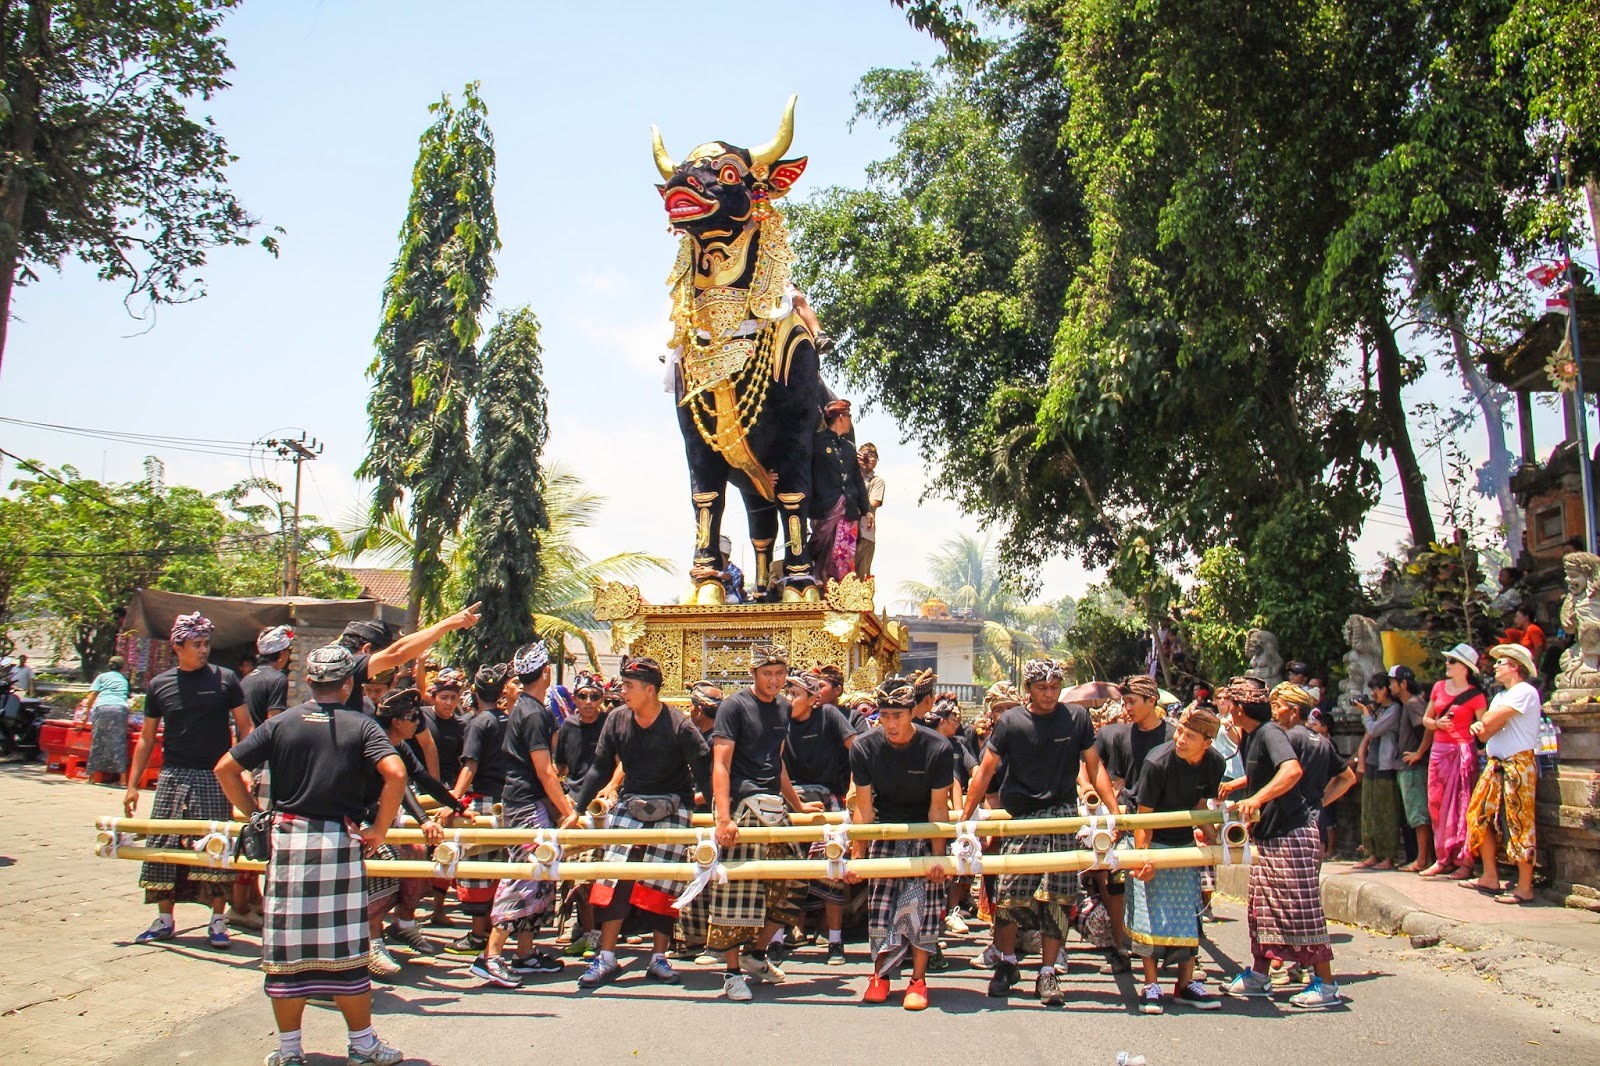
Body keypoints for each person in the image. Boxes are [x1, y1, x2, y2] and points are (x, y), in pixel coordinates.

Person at [214, 645, 409, 1066]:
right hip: (338, 842)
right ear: (348, 683)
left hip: (288, 842)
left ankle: (288, 1053)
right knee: (348, 956)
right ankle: (363, 1045)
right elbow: (395, 774)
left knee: (287, 957)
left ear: (309, 682)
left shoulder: (282, 723)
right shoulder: (363, 725)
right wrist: (379, 829)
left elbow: (225, 768)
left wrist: (255, 816)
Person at [961, 657, 1119, 1005]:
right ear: (1028, 690)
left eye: (1054, 687)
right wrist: (966, 818)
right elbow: (985, 771)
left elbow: (1095, 767)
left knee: (1058, 899)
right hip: (1022, 818)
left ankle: (1048, 973)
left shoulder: (1076, 718)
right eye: (1042, 688)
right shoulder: (1012, 722)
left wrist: (1115, 813)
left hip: (1062, 815)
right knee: (1007, 896)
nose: (1049, 694)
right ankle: (1006, 963)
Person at [567, 656, 713, 986]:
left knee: (665, 881)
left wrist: (719, 815)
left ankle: (659, 957)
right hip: (631, 802)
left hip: (674, 805)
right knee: (614, 876)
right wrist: (576, 811)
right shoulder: (617, 719)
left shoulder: (680, 725)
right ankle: (606, 956)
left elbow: (703, 772)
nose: (623, 691)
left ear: (649, 690)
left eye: (630, 686)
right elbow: (599, 767)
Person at [125, 612, 251, 948]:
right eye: (197, 644)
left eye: (207, 643)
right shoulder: (159, 684)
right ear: (177, 646)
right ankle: (164, 918)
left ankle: (218, 921)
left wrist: (245, 770)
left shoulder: (226, 680)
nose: (204, 649)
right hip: (172, 775)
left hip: (215, 777)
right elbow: (146, 738)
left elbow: (246, 728)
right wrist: (133, 784)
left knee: (216, 845)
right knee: (162, 846)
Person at [707, 642, 824, 1001]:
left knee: (792, 884)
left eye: (779, 673)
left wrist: (798, 806)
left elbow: (777, 761)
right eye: (767, 674)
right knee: (736, 888)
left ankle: (757, 955)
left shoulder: (784, 708)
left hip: (775, 805)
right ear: (753, 674)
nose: (774, 680)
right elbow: (721, 763)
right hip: (740, 804)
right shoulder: (733, 706)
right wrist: (724, 817)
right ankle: (730, 972)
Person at [1219, 682, 1341, 1009]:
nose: (1226, 709)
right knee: (1262, 911)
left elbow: (1291, 770)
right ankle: (1260, 975)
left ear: (1240, 709)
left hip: (1293, 834)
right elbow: (1265, 776)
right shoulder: (1251, 737)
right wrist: (1240, 793)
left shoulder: (1271, 733)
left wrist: (1257, 799)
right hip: (1270, 836)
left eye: (1229, 704)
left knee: (1302, 911)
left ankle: (1326, 985)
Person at [846, 677, 954, 1011]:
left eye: (898, 715)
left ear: (912, 713)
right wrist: (858, 857)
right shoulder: (865, 746)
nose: (890, 723)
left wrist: (940, 859)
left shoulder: (938, 747)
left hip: (925, 828)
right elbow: (863, 806)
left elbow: (939, 807)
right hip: (885, 830)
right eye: (885, 715)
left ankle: (918, 980)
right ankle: (880, 975)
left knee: (923, 909)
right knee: (881, 909)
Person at [473, 642, 576, 988]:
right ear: (546, 673)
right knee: (523, 876)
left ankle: (526, 952)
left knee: (540, 878)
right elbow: (545, 770)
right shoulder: (532, 713)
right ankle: (491, 956)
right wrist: (568, 810)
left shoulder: (528, 708)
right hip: (525, 805)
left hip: (527, 802)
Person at [1125, 707, 1227, 1015]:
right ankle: (1151, 984)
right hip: (1151, 837)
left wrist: (1213, 836)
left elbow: (1198, 803)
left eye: (1190, 736)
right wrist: (1145, 857)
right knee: (1150, 914)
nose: (1180, 740)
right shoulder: (1157, 761)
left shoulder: (1215, 763)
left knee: (1187, 914)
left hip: (1183, 842)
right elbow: (1144, 816)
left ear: (1207, 743)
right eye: (1180, 732)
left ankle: (1185, 984)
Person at [365, 688, 464, 976]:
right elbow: (401, 784)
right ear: (396, 721)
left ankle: (404, 923)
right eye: (412, 718)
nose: (418, 724)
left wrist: (456, 806)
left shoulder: (400, 743)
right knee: (384, 866)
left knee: (417, 857)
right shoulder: (373, 741)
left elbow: (421, 777)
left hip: (384, 820)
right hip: (362, 820)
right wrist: (423, 820)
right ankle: (371, 939)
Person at [1092, 675, 1176, 965]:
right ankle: (1120, 945)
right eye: (1124, 702)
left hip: (1166, 819)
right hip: (1129, 816)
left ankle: (1180, 949)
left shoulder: (1174, 736)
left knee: (1172, 882)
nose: (1127, 707)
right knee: (1117, 882)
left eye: (1132, 702)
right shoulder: (1120, 735)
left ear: (1152, 701)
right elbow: (1107, 772)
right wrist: (1113, 811)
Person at [782, 670, 859, 964]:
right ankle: (779, 938)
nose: (788, 699)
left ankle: (835, 941)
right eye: (786, 692)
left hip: (826, 800)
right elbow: (774, 763)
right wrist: (793, 802)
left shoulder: (829, 715)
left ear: (813, 699)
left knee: (832, 870)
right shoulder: (779, 717)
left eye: (795, 693)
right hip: (791, 800)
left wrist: (855, 791)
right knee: (784, 870)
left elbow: (859, 749)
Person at [444, 663, 514, 957]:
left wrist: (453, 801)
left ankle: (477, 932)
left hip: (482, 800)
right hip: (507, 801)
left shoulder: (478, 722)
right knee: (500, 867)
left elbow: (469, 764)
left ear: (474, 691)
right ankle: (493, 928)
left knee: (477, 867)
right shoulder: (508, 720)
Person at [1465, 644, 1543, 905]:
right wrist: (1485, 723)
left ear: (1515, 667)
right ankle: (1489, 874)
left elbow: (1490, 721)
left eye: (1501, 662)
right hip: (1496, 763)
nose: (1495, 666)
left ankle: (1524, 886)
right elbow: (1484, 732)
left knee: (1519, 822)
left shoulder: (1524, 692)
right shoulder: (1500, 696)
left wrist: (1485, 722)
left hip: (1518, 764)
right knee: (1478, 814)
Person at [334, 604, 482, 714]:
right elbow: (397, 653)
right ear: (366, 650)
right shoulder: (350, 664)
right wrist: (448, 623)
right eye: (379, 655)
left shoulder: (326, 662)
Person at [1419, 644, 1486, 880]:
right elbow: (1426, 719)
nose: (1447, 664)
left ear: (1465, 668)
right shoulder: (1438, 687)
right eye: (1448, 661)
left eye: (1452, 661)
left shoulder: (1476, 696)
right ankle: (1442, 858)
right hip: (1439, 749)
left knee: (1462, 805)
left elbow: (1484, 728)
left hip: (1462, 751)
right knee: (1436, 804)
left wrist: (1475, 733)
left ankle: (1465, 861)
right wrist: (1438, 724)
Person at [808, 399, 871, 582]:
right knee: (823, 552)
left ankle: (842, 588)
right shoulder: (816, 443)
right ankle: (823, 587)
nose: (851, 421)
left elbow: (858, 481)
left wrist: (866, 510)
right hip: (824, 508)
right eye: (849, 416)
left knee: (845, 554)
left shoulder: (849, 448)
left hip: (849, 510)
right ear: (841, 418)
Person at [1353, 671, 1403, 870]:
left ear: (1384, 690)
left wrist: (1366, 713)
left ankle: (1388, 856)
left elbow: (1374, 730)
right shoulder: (1379, 709)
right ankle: (1371, 853)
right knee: (1369, 811)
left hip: (1387, 765)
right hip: (1372, 764)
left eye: (1376, 689)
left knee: (1386, 812)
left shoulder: (1394, 710)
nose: (1373, 693)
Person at [1389, 666, 1434, 872]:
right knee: (1415, 815)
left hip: (1414, 767)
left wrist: (1418, 753)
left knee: (1418, 815)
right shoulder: (1409, 704)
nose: (1390, 687)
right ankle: (1423, 858)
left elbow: (1427, 729)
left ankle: (1422, 859)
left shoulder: (1413, 703)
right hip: (1407, 765)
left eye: (1392, 682)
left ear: (1403, 683)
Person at [84, 655, 132, 787]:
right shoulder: (124, 680)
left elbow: (92, 695)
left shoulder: (101, 677)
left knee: (97, 741)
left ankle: (92, 777)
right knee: (119, 742)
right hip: (120, 710)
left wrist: (85, 715)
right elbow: (125, 697)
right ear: (122, 667)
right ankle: (122, 780)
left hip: (102, 708)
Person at [555, 673, 608, 793]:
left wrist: (612, 787)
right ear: (574, 699)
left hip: (602, 794)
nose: (588, 702)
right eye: (583, 696)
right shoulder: (568, 725)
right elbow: (561, 765)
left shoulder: (610, 723)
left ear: (602, 699)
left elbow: (621, 762)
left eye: (594, 697)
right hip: (573, 793)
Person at [242, 626, 295, 727]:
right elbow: (273, 721)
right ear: (282, 654)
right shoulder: (277, 679)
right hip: (262, 741)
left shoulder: (246, 679)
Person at [854, 442, 885, 578]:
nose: (871, 459)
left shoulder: (876, 481)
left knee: (862, 577)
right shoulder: (848, 477)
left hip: (865, 533)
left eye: (875, 456)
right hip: (845, 531)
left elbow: (872, 504)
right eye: (868, 455)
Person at [690, 535, 749, 604]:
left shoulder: (736, 570)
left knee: (732, 600)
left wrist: (714, 573)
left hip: (730, 597)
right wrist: (692, 572)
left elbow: (729, 577)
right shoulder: (709, 566)